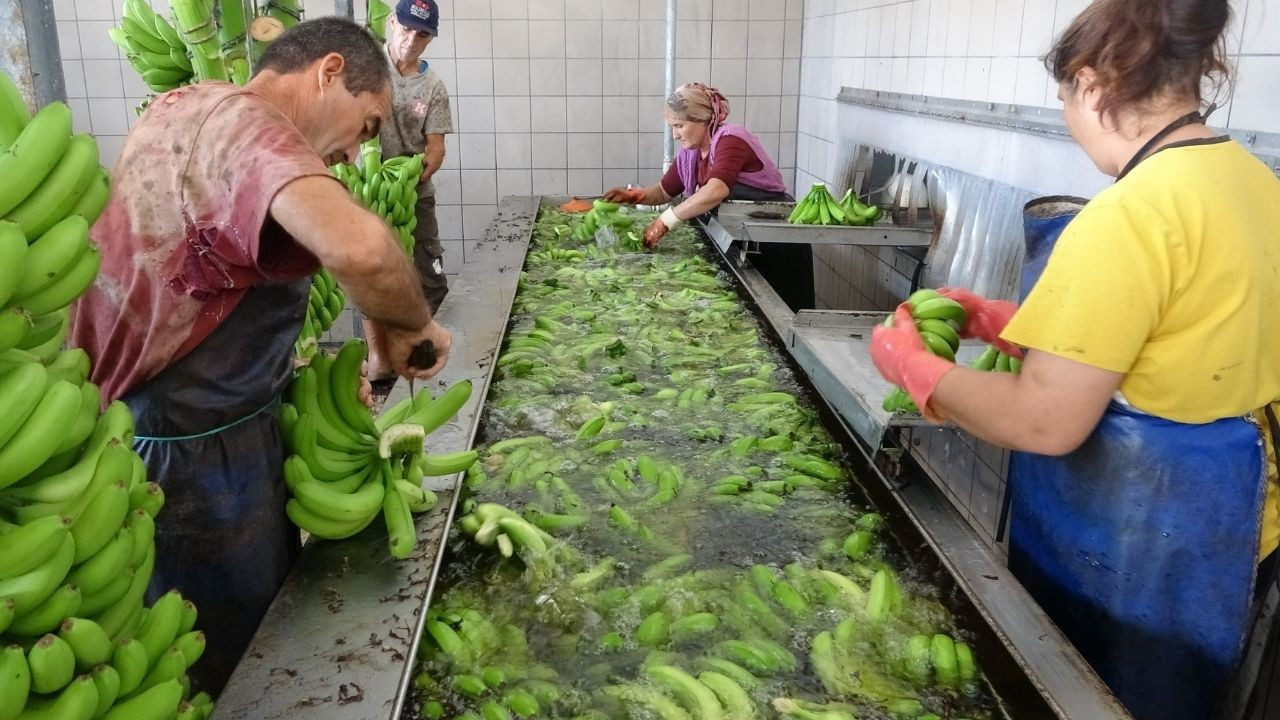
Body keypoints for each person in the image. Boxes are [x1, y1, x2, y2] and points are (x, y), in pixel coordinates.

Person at [868, 1, 1280, 718]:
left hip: (1134, 557)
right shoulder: (1252, 183)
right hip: (1238, 537)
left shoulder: (1127, 216)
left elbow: (1044, 420)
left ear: (1092, 85)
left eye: (1064, 99)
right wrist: (1016, 325)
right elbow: (1187, 335)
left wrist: (913, 366)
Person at [69, 17, 452, 695]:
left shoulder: (187, 106)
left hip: (181, 425)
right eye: (365, 126)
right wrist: (416, 326)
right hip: (195, 456)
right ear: (328, 72)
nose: (351, 155)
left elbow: (221, 273)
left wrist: (330, 373)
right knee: (236, 662)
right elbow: (360, 250)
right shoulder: (252, 128)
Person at [601, 83, 812, 310]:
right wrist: (634, 196)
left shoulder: (732, 139)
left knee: (784, 314)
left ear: (702, 120)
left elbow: (716, 190)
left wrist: (665, 221)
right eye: (672, 126)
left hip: (774, 239)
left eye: (679, 125)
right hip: (739, 239)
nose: (674, 134)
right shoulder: (690, 155)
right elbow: (664, 191)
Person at [365, 0, 453, 380]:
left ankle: (421, 356)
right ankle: (380, 360)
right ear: (391, 23)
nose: (411, 40)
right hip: (368, 191)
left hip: (415, 194)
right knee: (370, 274)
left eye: (422, 34)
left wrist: (414, 175)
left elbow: (436, 147)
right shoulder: (366, 69)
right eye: (405, 28)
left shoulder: (432, 87)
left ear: (430, 39)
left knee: (428, 273)